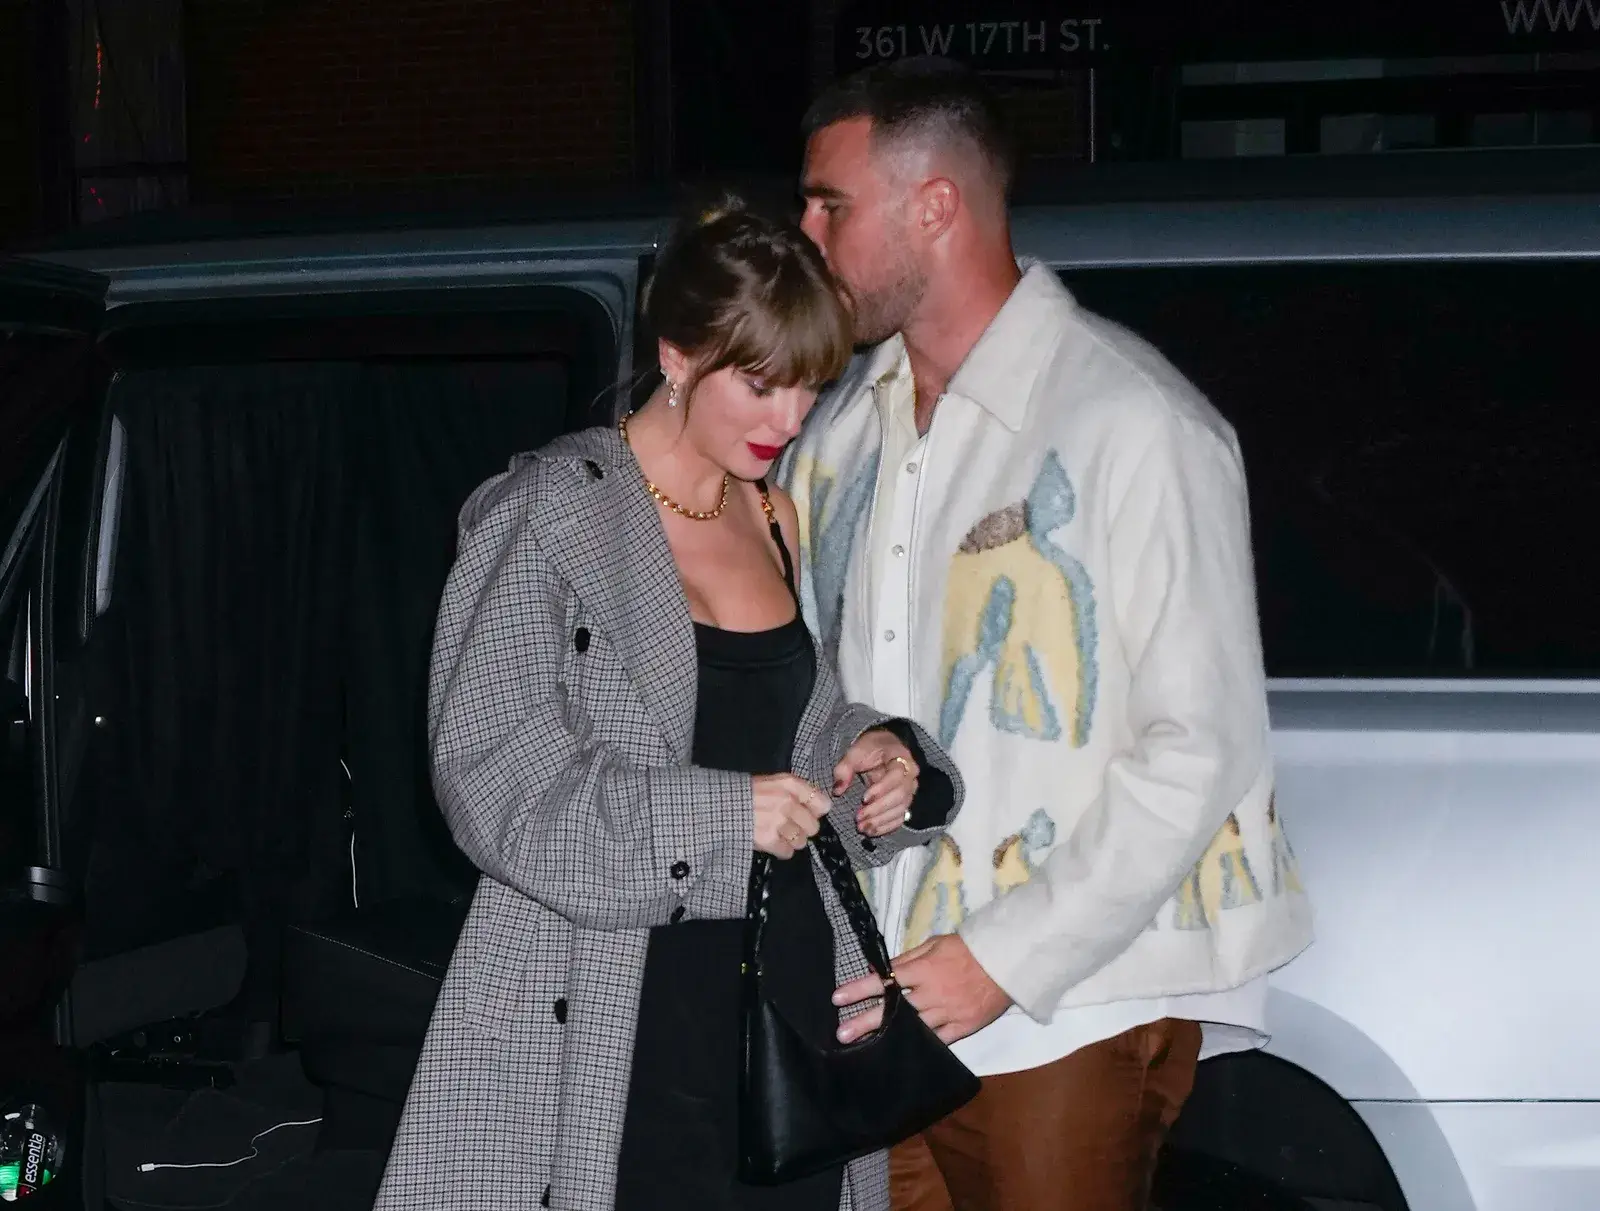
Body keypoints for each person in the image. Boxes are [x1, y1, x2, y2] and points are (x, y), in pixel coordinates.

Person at [779, 58, 1314, 1211]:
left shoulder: (1131, 421)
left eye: (830, 205)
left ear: (934, 206)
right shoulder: (842, 434)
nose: (804, 235)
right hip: (880, 998)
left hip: (1065, 1009)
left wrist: (1000, 959)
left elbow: (1202, 743)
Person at [374, 201, 962, 1211]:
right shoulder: (551, 511)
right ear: (677, 355)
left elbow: (789, 723)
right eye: (762, 383)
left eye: (812, 385)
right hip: (611, 1002)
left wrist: (869, 750)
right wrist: (722, 817)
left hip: (780, 992)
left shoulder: (771, 511)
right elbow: (489, 777)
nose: (789, 419)